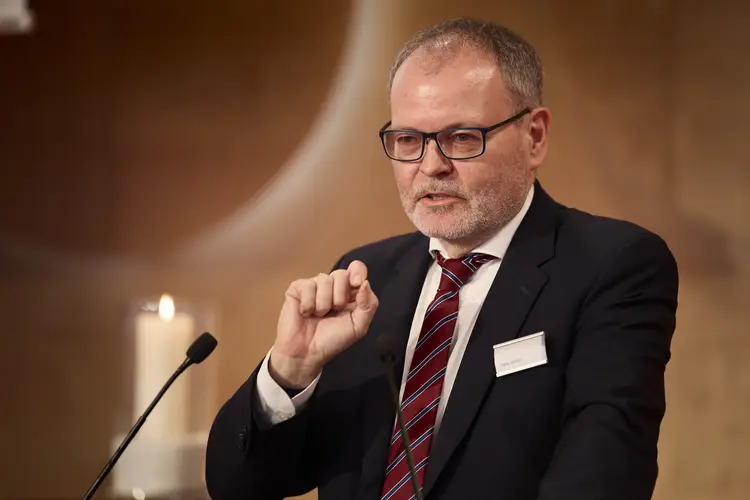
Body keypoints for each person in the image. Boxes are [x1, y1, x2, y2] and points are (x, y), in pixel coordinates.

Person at [205, 18, 679, 500]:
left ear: (534, 136)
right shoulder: (363, 279)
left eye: (461, 137)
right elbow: (237, 485)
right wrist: (289, 371)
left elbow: (605, 474)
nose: (431, 166)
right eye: (409, 140)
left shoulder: (612, 265)